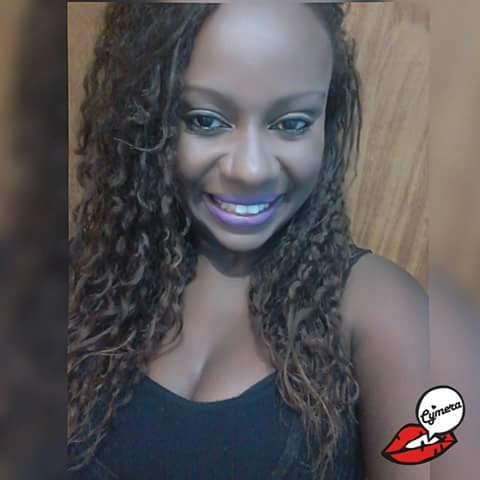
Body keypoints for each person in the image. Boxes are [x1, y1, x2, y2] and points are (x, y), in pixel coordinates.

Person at [68, 3, 428, 479]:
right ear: (144, 117)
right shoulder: (76, 281)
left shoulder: (386, 314)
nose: (251, 169)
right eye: (205, 120)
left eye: (292, 124)